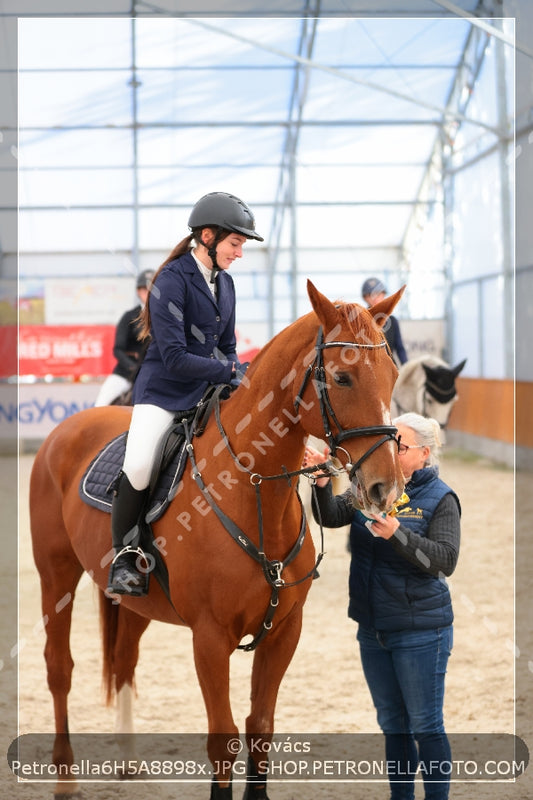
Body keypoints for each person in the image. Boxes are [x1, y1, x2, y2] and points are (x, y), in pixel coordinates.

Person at [107, 191, 264, 597]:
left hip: (208, 388)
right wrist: (230, 370)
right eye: (236, 243)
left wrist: (233, 377)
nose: (240, 253)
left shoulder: (225, 284)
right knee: (140, 465)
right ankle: (125, 555)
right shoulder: (171, 281)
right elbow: (175, 358)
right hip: (163, 391)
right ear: (207, 237)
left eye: (242, 245)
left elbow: (228, 345)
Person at [303, 412, 461, 800]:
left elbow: (445, 561)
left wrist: (397, 535)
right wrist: (323, 483)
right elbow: (330, 515)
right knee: (393, 725)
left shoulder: (441, 498)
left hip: (421, 631)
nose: (391, 451)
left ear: (424, 453)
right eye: (389, 442)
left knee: (426, 725)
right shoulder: (370, 487)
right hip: (372, 628)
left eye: (401, 446)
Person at [94, 269, 154, 407]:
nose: (148, 293)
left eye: (152, 289)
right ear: (138, 292)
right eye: (144, 289)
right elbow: (118, 350)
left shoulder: (163, 317)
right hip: (127, 374)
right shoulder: (129, 316)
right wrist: (133, 368)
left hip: (153, 374)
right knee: (101, 403)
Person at [362, 277, 408, 366]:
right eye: (371, 295)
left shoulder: (392, 321)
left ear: (383, 295)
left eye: (379, 294)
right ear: (365, 298)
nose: (375, 298)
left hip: (390, 367)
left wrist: (407, 367)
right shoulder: (361, 320)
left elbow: (399, 348)